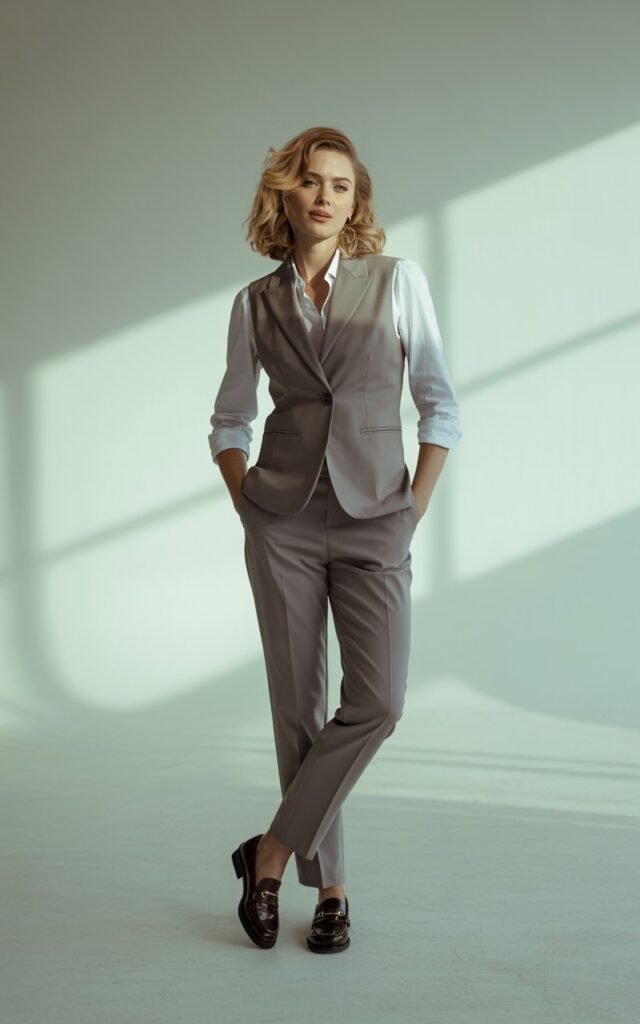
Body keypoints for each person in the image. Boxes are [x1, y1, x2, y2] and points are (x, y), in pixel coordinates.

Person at [209, 126, 462, 953]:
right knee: (298, 712)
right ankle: (335, 894)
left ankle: (271, 854)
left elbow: (439, 404)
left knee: (377, 702)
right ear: (287, 194)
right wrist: (250, 503)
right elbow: (230, 418)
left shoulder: (396, 282)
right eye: (312, 181)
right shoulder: (255, 302)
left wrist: (412, 508)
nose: (325, 195)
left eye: (341, 185)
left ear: (357, 203)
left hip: (374, 517)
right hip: (282, 521)